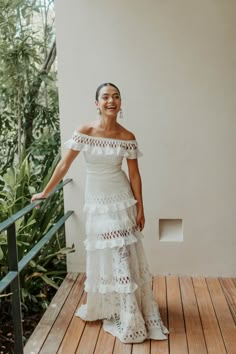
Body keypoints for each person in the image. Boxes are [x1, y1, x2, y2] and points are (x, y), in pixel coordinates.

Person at [31, 82, 169, 343]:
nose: (111, 101)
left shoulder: (127, 136)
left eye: (116, 96)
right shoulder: (85, 131)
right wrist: (46, 192)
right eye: (105, 97)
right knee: (107, 253)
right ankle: (112, 306)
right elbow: (64, 164)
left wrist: (140, 206)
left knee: (123, 254)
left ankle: (129, 314)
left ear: (120, 103)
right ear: (97, 103)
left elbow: (135, 175)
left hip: (121, 200)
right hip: (96, 201)